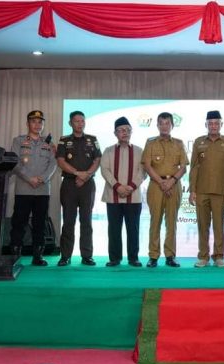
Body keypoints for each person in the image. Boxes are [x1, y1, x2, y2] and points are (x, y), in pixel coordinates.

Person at [188, 110, 224, 268]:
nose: (213, 126)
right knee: (202, 226)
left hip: (220, 191)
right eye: (210, 123)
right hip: (201, 191)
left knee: (218, 226)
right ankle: (203, 256)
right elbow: (194, 167)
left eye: (216, 123)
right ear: (206, 125)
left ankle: (219, 256)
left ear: (221, 124)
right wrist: (192, 190)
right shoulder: (199, 142)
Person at [9, 110, 57, 266]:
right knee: (19, 223)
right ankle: (15, 255)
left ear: (43, 125)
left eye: (40, 122)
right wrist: (29, 178)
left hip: (42, 190)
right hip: (23, 189)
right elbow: (15, 162)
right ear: (27, 123)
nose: (37, 125)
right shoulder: (19, 141)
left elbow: (53, 164)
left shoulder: (49, 144)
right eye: (34, 121)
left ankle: (38, 256)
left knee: (40, 223)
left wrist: (42, 178)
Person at [142, 112, 188, 268]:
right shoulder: (150, 143)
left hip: (174, 185)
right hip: (156, 185)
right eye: (161, 123)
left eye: (167, 123)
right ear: (157, 125)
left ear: (172, 125)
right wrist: (162, 183)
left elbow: (183, 167)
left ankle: (170, 256)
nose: (164, 126)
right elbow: (147, 166)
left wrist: (171, 181)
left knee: (171, 222)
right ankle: (153, 256)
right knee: (155, 221)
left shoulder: (179, 143)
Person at [56, 111, 102, 266]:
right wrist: (77, 173)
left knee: (86, 221)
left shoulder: (92, 139)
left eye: (82, 121)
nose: (80, 124)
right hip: (69, 184)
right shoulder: (64, 140)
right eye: (76, 121)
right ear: (70, 123)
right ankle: (65, 256)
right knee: (68, 221)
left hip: (87, 185)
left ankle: (87, 255)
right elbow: (61, 161)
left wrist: (86, 175)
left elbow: (97, 159)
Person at [100, 116, 146, 267]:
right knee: (114, 228)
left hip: (133, 196)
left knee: (133, 228)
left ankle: (133, 258)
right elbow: (105, 170)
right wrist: (117, 186)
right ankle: (115, 258)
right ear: (115, 133)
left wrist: (131, 187)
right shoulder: (108, 151)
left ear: (131, 132)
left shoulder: (139, 151)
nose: (125, 132)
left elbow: (143, 171)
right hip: (113, 196)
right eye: (121, 130)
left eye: (127, 130)